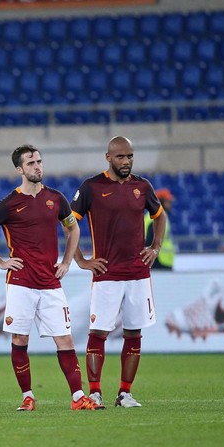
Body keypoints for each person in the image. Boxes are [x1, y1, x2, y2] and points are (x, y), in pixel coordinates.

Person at [0, 144, 98, 411]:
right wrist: (1, 262)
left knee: (65, 339)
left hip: (51, 282)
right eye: (30, 163)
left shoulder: (56, 198)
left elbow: (72, 230)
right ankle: (28, 397)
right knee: (19, 340)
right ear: (19, 169)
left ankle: (78, 397)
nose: (37, 166)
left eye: (39, 161)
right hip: (20, 283)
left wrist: (66, 261)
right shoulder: (9, 204)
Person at [71, 136, 165, 408]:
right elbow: (69, 223)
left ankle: (125, 393)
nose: (126, 161)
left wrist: (155, 247)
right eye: (121, 157)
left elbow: (159, 215)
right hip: (107, 274)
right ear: (108, 157)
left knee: (134, 333)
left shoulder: (142, 186)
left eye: (130, 156)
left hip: (137, 273)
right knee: (98, 332)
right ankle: (96, 391)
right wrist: (80, 259)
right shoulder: (91, 187)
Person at [146, 188, 175, 270]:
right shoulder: (157, 218)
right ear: (161, 202)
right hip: (159, 262)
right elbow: (149, 242)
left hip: (163, 260)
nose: (170, 204)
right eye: (168, 202)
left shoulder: (161, 216)